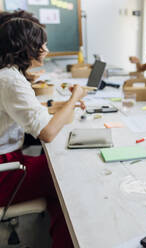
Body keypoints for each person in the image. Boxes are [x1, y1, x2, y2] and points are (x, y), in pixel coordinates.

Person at [0, 12, 88, 248]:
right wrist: (74, 97)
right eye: (42, 44)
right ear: (26, 47)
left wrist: (61, 105)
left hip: (8, 161)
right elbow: (47, 133)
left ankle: (62, 238)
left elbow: (32, 110)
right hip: (4, 173)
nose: (46, 49)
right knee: (67, 174)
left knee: (59, 186)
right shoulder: (11, 79)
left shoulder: (8, 74)